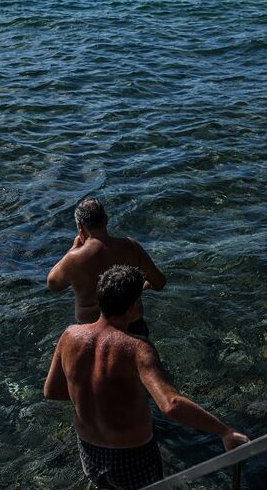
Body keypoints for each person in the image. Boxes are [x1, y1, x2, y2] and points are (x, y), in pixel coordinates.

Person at [45, 265, 248, 489]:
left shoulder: (69, 336)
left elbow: (52, 391)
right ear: (134, 307)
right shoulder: (137, 349)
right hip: (131, 456)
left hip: (89, 450)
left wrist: (96, 397)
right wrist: (224, 431)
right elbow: (170, 405)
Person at [47, 198, 166, 337]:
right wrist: (137, 289)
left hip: (91, 331)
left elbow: (53, 284)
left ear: (80, 226)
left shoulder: (74, 259)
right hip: (132, 327)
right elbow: (159, 283)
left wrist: (73, 249)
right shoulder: (131, 247)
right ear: (106, 219)